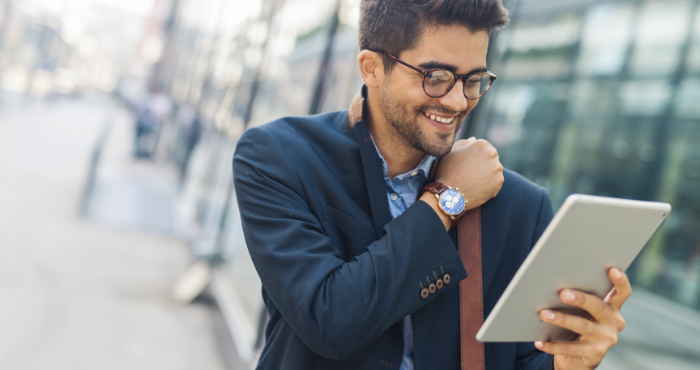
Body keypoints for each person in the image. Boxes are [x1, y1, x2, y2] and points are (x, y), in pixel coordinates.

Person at [232, 1, 629, 369]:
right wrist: (446, 200)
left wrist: (567, 363)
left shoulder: (522, 207)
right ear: (371, 68)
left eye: (473, 79)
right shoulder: (278, 158)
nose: (458, 101)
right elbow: (329, 320)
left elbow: (525, 359)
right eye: (436, 77)